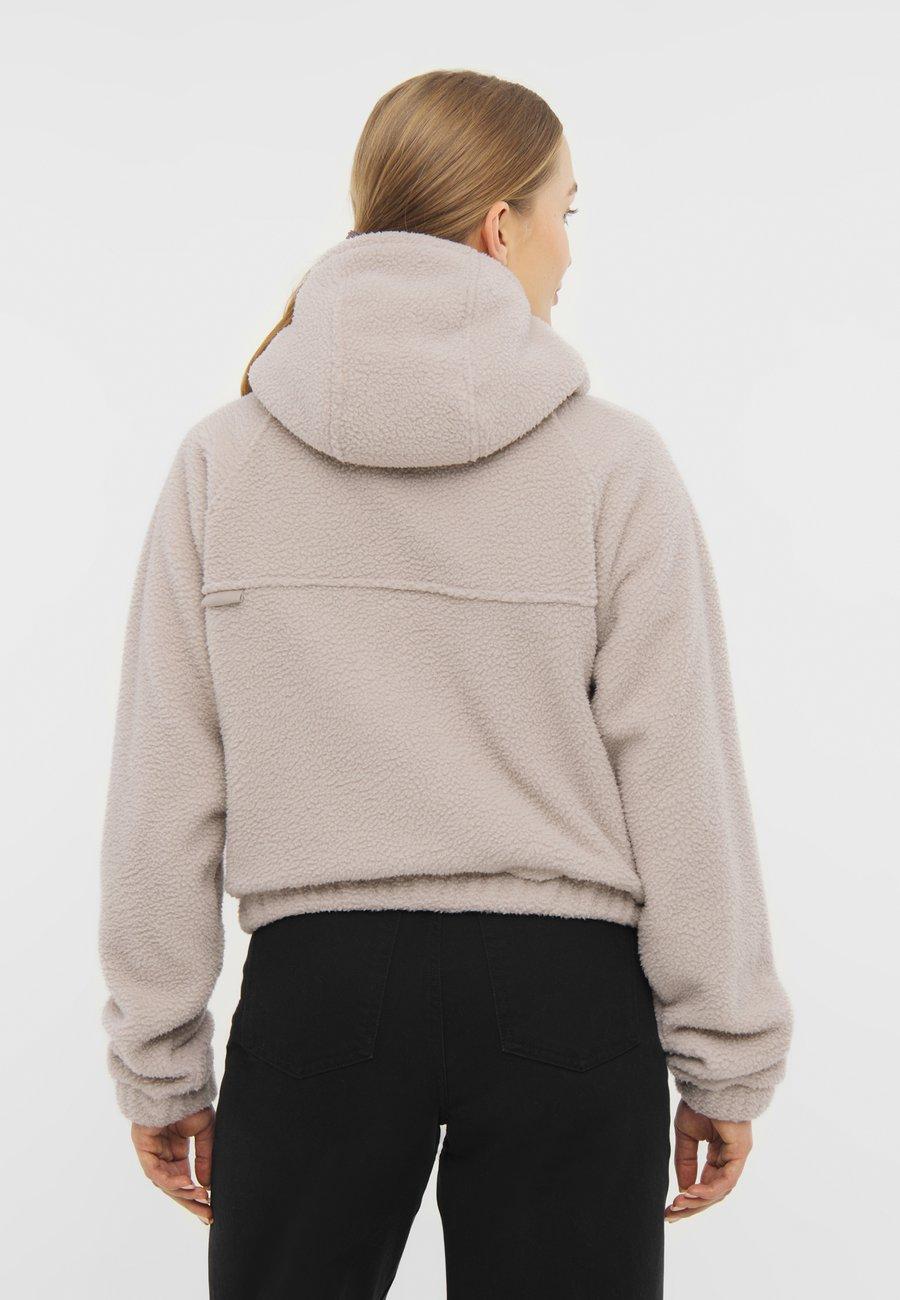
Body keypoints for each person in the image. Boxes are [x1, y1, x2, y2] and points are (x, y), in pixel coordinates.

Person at [97, 69, 794, 1299]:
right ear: (498, 226)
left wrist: (161, 1063)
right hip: (566, 1003)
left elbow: (167, 785)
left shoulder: (224, 462)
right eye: (567, 212)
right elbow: (680, 777)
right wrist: (723, 1056)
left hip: (317, 997)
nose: (571, 251)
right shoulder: (612, 466)